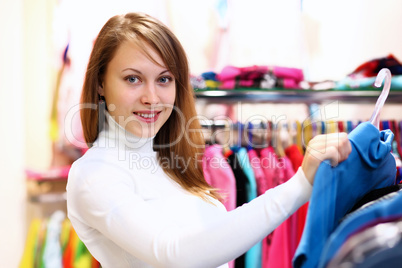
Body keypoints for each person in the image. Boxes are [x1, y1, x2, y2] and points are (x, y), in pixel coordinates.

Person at [66, 12, 352, 268]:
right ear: (101, 83)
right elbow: (174, 253)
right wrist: (300, 185)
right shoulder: (94, 174)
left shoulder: (169, 161)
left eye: (164, 79)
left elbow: (217, 240)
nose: (151, 98)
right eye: (133, 79)